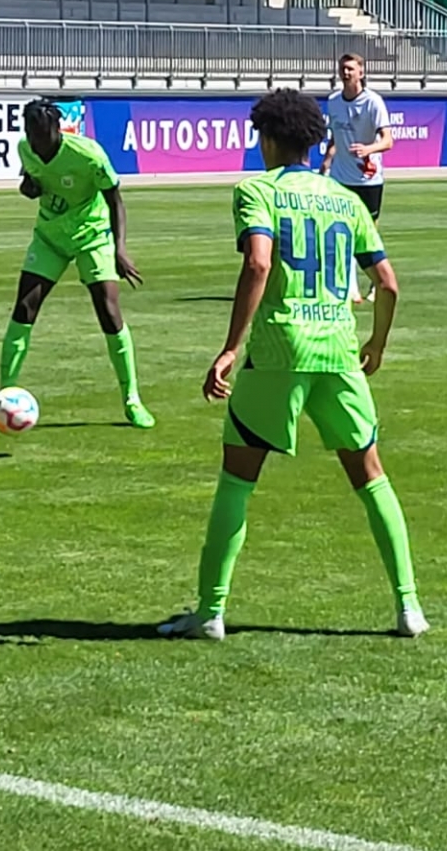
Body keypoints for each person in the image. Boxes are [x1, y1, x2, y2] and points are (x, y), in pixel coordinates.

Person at [157, 89, 424, 641]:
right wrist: (376, 344)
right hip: (338, 353)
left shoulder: (256, 190)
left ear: (270, 139)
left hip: (279, 350)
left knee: (237, 479)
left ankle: (210, 612)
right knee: (372, 477)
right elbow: (388, 283)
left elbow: (258, 263)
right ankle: (409, 608)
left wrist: (230, 347)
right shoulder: (345, 200)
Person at [0, 100, 152, 429]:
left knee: (109, 312)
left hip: (92, 236)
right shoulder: (25, 148)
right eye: (32, 135)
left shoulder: (88, 155)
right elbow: (30, 183)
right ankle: (4, 398)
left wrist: (120, 249)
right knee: (24, 308)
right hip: (50, 237)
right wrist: (29, 188)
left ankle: (132, 400)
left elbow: (115, 200)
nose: (37, 143)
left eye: (43, 135)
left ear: (57, 129)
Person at [321, 53, 392, 302]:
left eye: (351, 68)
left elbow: (388, 141)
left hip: (368, 179)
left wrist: (368, 149)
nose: (346, 72)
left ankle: (377, 282)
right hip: (340, 178)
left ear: (361, 73)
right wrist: (327, 162)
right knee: (342, 231)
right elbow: (335, 136)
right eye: (343, 68)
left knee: (368, 234)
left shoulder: (373, 102)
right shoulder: (333, 101)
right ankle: (349, 287)